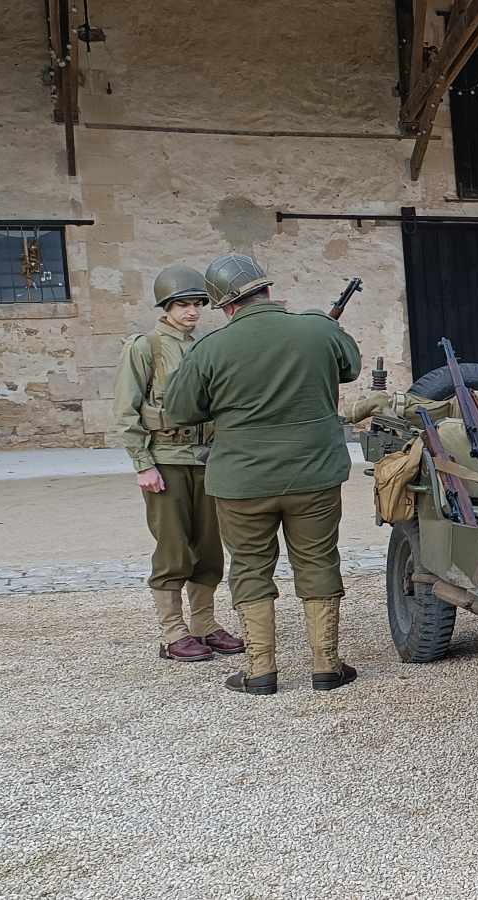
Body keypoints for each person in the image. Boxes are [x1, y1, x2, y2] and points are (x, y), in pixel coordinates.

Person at [164, 253, 360, 695]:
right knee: (318, 561)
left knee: (251, 567)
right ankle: (326, 666)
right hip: (314, 473)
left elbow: (179, 409)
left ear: (224, 304)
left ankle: (260, 671)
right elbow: (350, 367)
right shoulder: (318, 328)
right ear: (267, 289)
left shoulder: (210, 347)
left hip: (242, 481)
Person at [115, 264, 240, 663]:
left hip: (206, 459)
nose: (191, 312)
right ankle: (172, 632)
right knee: (173, 547)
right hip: (165, 459)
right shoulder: (145, 346)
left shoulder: (204, 346)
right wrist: (142, 464)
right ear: (166, 307)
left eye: (196, 304)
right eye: (182, 305)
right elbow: (125, 411)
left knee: (208, 548)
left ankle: (204, 624)